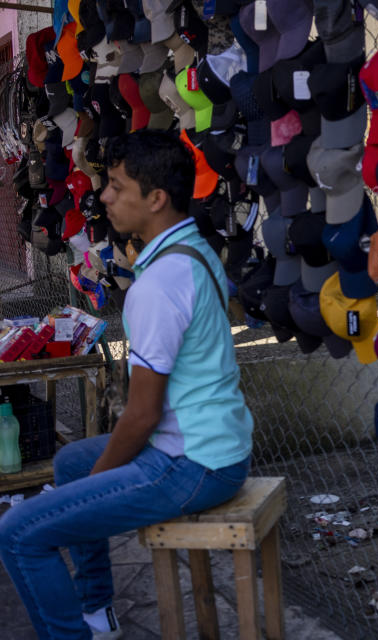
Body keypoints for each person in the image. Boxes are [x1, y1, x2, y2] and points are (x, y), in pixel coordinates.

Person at [0, 130, 254, 640]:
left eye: (116, 186)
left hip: (193, 464)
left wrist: (97, 484)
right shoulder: (195, 248)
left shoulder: (158, 285)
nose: (104, 197)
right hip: (217, 447)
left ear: (156, 199)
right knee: (71, 462)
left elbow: (141, 417)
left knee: (19, 533)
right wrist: (89, 477)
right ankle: (99, 612)